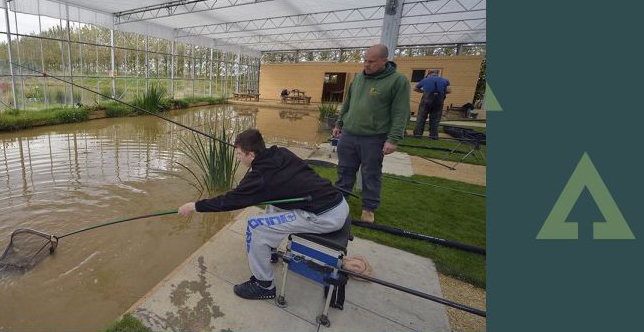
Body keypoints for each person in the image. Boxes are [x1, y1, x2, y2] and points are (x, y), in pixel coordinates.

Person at [178, 129, 349, 300]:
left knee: (255, 226)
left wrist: (195, 206)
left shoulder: (260, 178)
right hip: (337, 202)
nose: (237, 157)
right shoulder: (281, 152)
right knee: (274, 204)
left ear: (251, 155)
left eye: (239, 154)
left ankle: (264, 284)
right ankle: (270, 250)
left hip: (326, 217)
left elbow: (229, 201)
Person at [331, 44, 410, 224]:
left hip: (374, 138)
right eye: (365, 60)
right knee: (344, 170)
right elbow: (348, 104)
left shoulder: (398, 81)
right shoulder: (358, 79)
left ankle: (369, 208)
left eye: (371, 61)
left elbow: (401, 112)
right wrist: (339, 123)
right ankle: (339, 203)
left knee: (371, 173)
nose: (366, 64)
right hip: (349, 134)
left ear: (384, 61)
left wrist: (393, 139)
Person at [412, 71, 451, 139]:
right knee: (435, 119)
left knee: (421, 117)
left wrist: (423, 92)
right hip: (438, 102)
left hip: (426, 101)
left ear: (429, 74)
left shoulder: (425, 79)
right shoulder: (445, 80)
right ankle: (433, 136)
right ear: (437, 74)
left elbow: (415, 88)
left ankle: (417, 134)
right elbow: (449, 91)